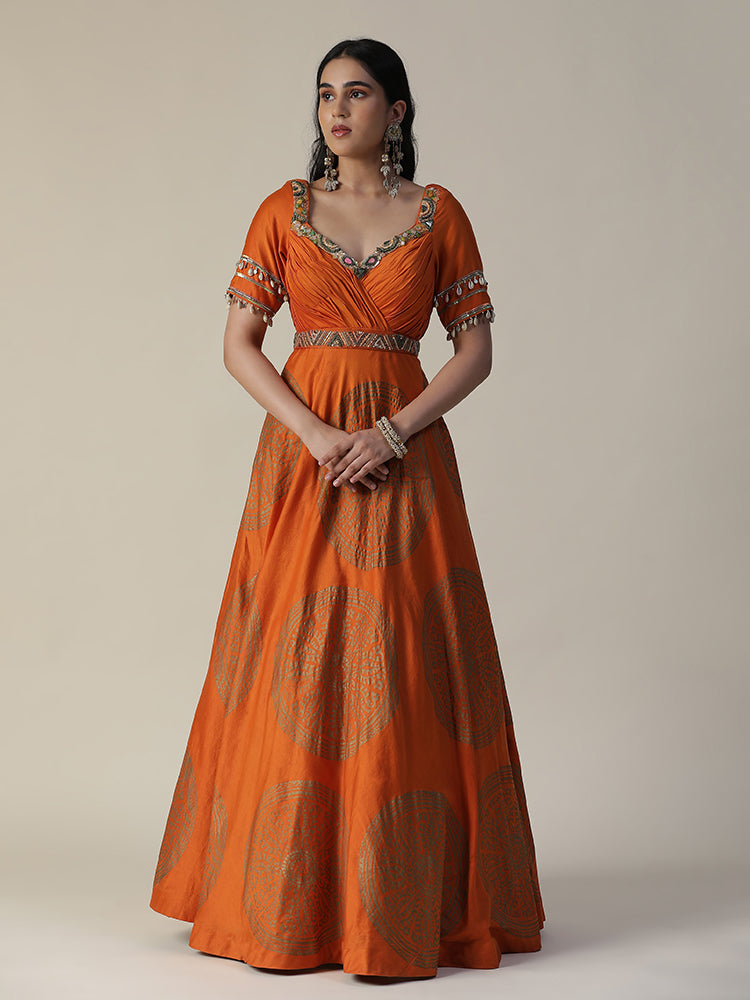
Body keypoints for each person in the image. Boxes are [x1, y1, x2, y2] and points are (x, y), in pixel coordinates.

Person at [149, 37, 545, 980]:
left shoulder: (438, 213)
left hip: (406, 455)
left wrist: (393, 433)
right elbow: (240, 343)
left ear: (395, 111)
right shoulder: (283, 211)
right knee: (290, 650)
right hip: (306, 460)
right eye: (326, 93)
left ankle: (397, 903)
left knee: (406, 655)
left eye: (358, 93)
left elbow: (476, 350)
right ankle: (284, 901)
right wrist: (319, 436)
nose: (336, 109)